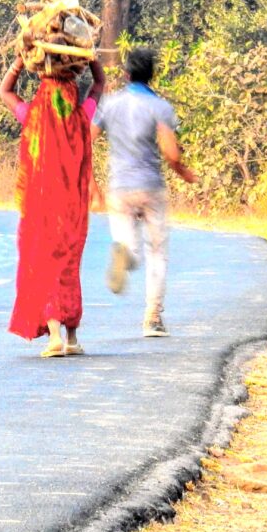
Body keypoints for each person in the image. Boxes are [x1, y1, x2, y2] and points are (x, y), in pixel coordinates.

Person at [0, 55, 105, 357]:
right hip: (72, 209)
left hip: (42, 208)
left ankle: (55, 335)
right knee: (69, 267)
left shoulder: (32, 116)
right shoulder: (82, 117)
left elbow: (6, 91)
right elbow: (98, 86)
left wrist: (21, 60)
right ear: (72, 90)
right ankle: (72, 338)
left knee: (45, 266)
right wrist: (92, 57)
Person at [91, 47, 197, 337]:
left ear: (126, 74)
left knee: (128, 245)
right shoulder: (160, 106)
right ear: (153, 75)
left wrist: (92, 184)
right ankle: (152, 318)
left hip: (119, 187)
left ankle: (124, 252)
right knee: (157, 253)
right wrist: (184, 172)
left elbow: (87, 140)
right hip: (151, 186)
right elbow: (170, 153)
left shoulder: (109, 104)